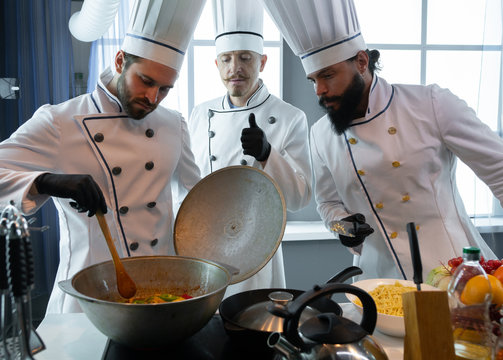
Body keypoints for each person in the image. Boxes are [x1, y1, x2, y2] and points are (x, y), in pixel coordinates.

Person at [262, 0, 503, 281]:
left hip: (452, 272)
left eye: (328, 75)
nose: (320, 91)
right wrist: (344, 229)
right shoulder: (320, 133)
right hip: (377, 281)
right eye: (312, 80)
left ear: (362, 62)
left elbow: (499, 170)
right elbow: (327, 206)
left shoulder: (433, 104)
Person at [0, 0, 206, 313]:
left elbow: (196, 198)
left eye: (165, 89)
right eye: (146, 81)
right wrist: (46, 181)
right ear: (120, 60)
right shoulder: (59, 121)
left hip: (162, 292)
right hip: (88, 297)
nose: (153, 98)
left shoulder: (173, 123)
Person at [189, 0, 312, 297]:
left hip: (256, 247)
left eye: (245, 58)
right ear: (216, 64)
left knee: (252, 328)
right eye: (227, 59)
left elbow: (301, 197)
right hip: (202, 246)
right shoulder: (198, 113)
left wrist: (268, 155)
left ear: (263, 62)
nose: (236, 69)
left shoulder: (290, 117)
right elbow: (187, 188)